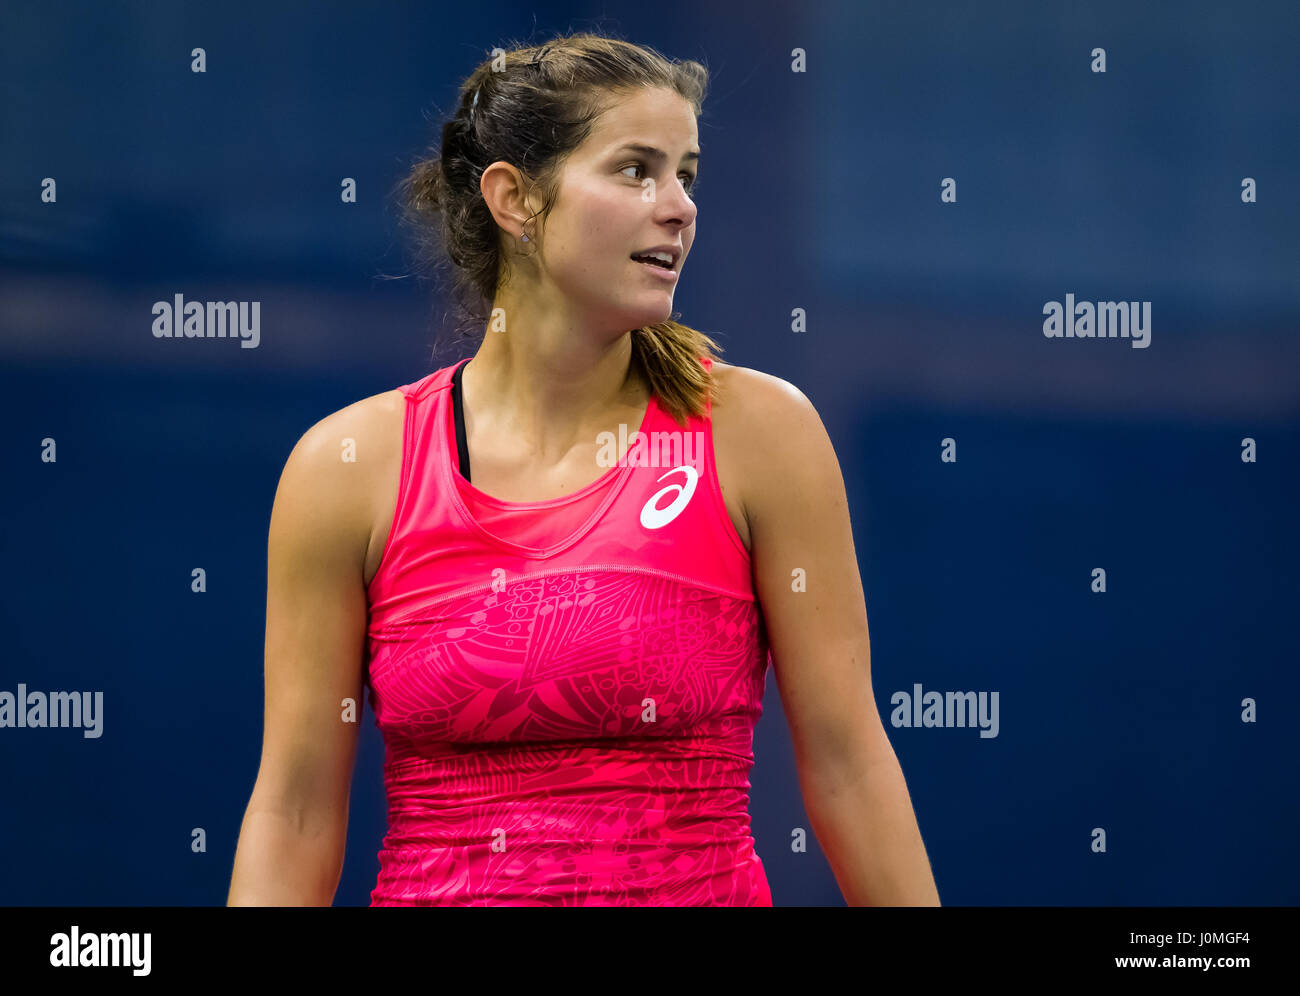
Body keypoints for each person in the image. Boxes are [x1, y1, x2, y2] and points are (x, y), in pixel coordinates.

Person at [227, 31, 940, 906]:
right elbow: (294, 812)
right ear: (515, 199)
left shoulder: (762, 435)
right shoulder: (343, 470)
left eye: (688, 175)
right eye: (637, 169)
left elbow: (850, 766)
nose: (678, 206)